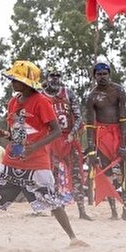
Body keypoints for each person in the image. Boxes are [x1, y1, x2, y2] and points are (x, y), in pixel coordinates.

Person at [0, 61, 85, 249]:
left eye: (17, 79)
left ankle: (72, 238)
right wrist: (6, 135)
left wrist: (34, 147)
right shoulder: (13, 102)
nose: (13, 82)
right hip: (12, 160)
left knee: (52, 200)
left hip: (37, 162)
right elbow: (17, 133)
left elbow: (55, 131)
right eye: (12, 79)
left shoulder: (42, 102)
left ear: (28, 82)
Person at [42, 69, 92, 220]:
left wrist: (72, 133)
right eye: (52, 76)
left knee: (76, 174)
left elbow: (78, 117)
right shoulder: (41, 95)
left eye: (58, 75)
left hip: (69, 139)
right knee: (54, 175)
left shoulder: (68, 93)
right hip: (51, 141)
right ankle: (57, 209)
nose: (55, 78)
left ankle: (81, 210)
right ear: (47, 78)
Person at [85, 60, 126, 220]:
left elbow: (124, 118)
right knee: (106, 173)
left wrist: (124, 144)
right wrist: (91, 149)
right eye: (99, 74)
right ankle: (113, 211)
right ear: (95, 76)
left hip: (120, 132)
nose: (102, 77)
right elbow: (90, 124)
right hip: (102, 136)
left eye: (105, 74)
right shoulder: (92, 96)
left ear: (109, 74)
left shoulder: (119, 91)